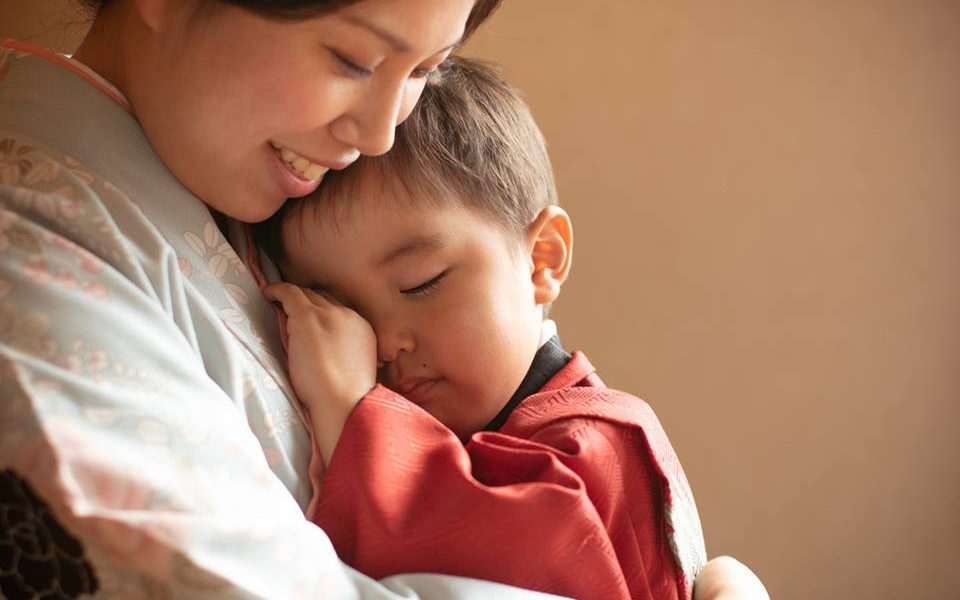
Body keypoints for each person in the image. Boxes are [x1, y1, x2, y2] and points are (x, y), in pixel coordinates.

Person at [0, 0, 765, 597]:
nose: (377, 133)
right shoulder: (27, 249)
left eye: (426, 68)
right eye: (352, 57)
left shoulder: (250, 200)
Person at [258, 57, 768, 600]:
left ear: (541, 259)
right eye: (341, 313)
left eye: (420, 283)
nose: (382, 344)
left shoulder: (594, 440)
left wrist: (350, 404)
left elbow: (490, 569)